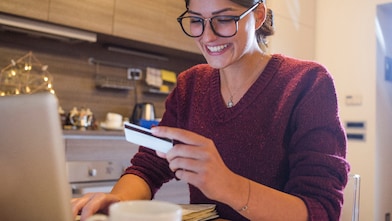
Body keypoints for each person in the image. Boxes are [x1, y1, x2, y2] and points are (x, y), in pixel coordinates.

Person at [71, 0, 350, 220]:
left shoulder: (307, 83)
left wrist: (226, 185)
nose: (207, 35)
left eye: (225, 19)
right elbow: (151, 164)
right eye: (196, 21)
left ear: (259, 14)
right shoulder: (191, 84)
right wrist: (118, 202)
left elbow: (320, 211)